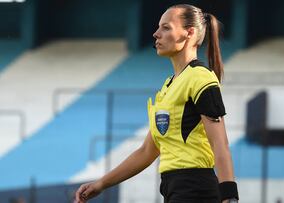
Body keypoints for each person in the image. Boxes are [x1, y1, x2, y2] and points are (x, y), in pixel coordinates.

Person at [74, 4, 238, 203]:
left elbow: (220, 143)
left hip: (196, 189)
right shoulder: (168, 87)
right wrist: (100, 184)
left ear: (189, 33)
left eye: (166, 27)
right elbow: (147, 151)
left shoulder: (201, 78)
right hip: (173, 189)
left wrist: (230, 197)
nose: (155, 34)